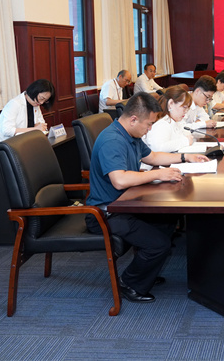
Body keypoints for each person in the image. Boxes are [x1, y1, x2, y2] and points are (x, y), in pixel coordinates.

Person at [85, 92, 208, 303]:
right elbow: (119, 180)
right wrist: (158, 174)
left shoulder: (130, 135)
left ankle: (145, 270)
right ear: (133, 119)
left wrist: (185, 157)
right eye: (149, 124)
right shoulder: (112, 140)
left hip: (126, 203)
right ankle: (129, 283)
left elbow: (152, 157)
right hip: (107, 212)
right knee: (158, 245)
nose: (150, 129)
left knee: (167, 220)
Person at [0, 79, 55, 146]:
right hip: (3, 146)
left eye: (45, 100)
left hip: (22, 143)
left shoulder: (35, 105)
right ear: (34, 91)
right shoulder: (14, 104)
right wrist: (34, 129)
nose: (42, 102)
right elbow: (7, 130)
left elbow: (41, 125)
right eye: (41, 98)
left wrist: (38, 127)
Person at [142, 86, 194, 152]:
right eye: (184, 107)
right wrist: (185, 141)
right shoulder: (162, 124)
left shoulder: (173, 121)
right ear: (171, 103)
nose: (186, 111)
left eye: (187, 108)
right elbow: (158, 148)